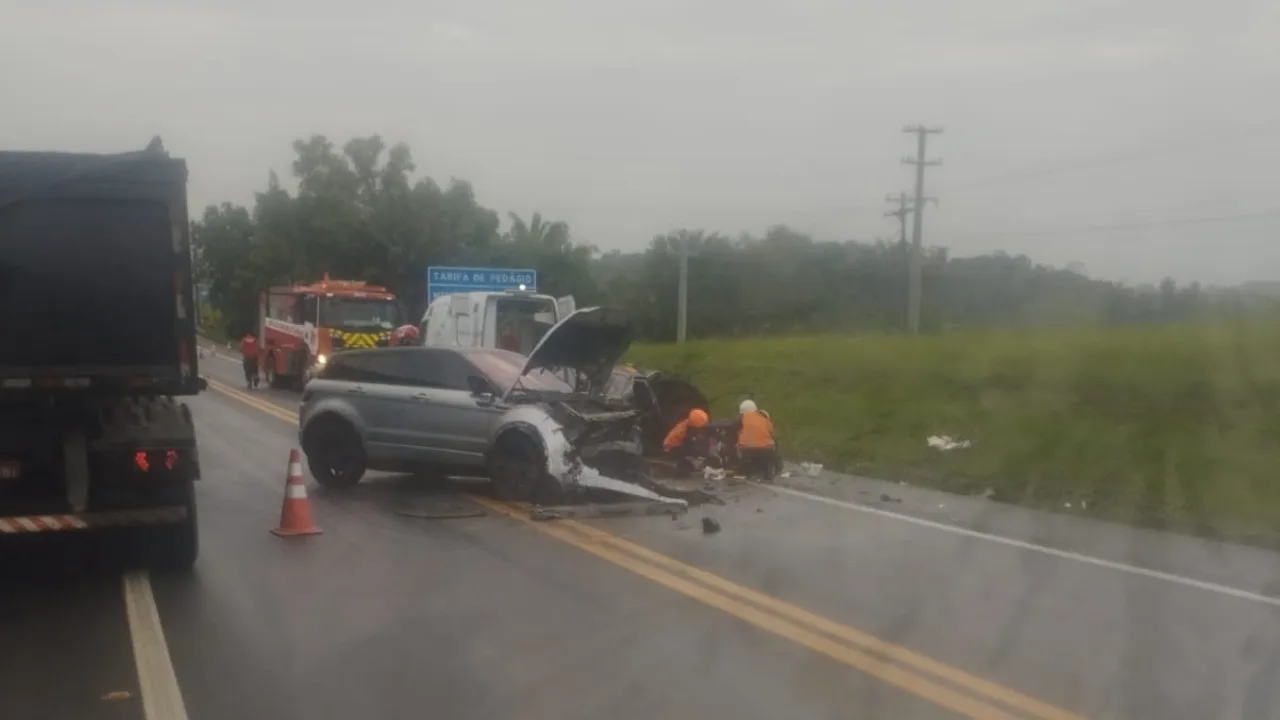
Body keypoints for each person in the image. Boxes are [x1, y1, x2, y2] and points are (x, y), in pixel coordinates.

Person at [735, 399, 778, 480]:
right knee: (767, 459)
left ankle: (746, 471)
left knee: (746, 464)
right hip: (767, 450)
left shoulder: (743, 418)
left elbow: (733, 429)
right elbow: (772, 432)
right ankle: (767, 472)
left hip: (748, 451)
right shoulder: (764, 418)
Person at [662, 408, 710, 475]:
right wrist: (697, 456)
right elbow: (688, 445)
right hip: (671, 448)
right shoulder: (684, 432)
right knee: (687, 464)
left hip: (676, 445)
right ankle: (683, 469)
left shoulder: (688, 424)